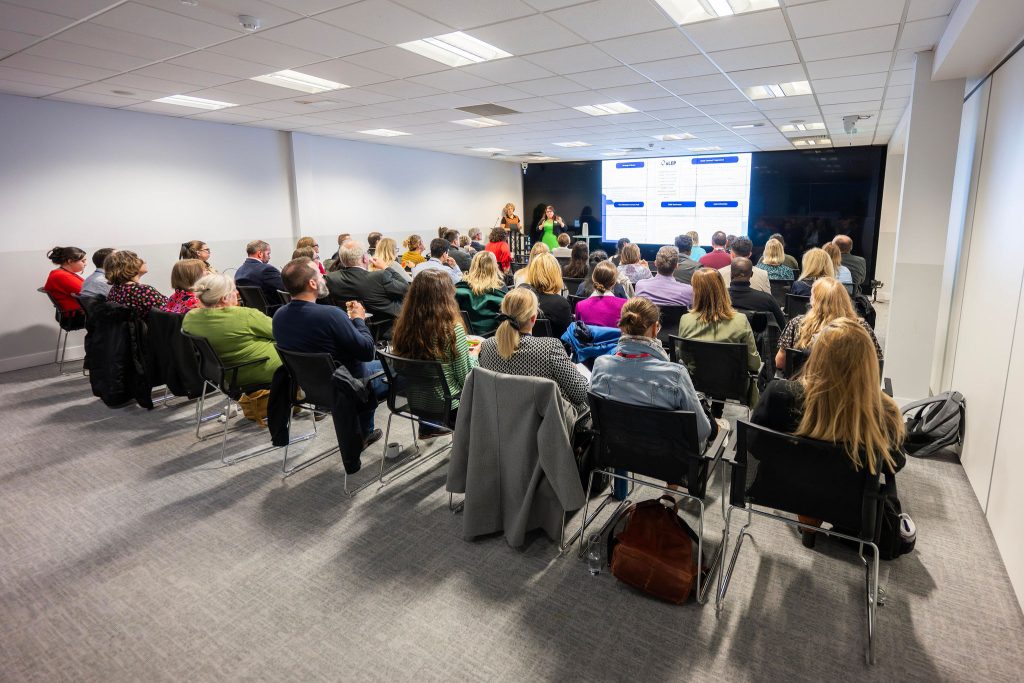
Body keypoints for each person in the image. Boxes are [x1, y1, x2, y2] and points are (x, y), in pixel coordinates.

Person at [752, 317, 905, 546]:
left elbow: (754, 444)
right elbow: (894, 463)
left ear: (815, 355)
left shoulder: (779, 394)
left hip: (783, 489)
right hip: (850, 502)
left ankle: (809, 520)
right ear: (869, 363)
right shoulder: (886, 413)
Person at [272, 257, 387, 444]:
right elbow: (367, 351)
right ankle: (365, 433)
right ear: (311, 283)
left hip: (311, 387)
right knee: (394, 366)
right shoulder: (331, 315)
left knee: (379, 363)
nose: (324, 279)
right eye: (320, 276)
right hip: (349, 386)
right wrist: (358, 319)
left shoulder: (279, 316)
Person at [590, 297, 711, 444]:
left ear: (623, 326)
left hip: (616, 454)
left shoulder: (600, 365)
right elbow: (702, 432)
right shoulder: (676, 375)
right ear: (655, 328)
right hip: (666, 460)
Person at [390, 270, 480, 438]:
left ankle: (427, 428)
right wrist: (475, 355)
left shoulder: (404, 327)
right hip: (449, 406)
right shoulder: (452, 330)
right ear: (446, 296)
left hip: (415, 401)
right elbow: (467, 377)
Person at [478, 287, 589, 417]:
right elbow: (581, 393)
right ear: (533, 318)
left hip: (504, 423)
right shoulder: (550, 349)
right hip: (548, 427)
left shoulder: (487, 346)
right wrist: (574, 370)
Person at [677, 268, 761, 407]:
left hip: (697, 381)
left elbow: (685, 358)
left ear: (696, 291)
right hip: (733, 384)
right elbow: (754, 364)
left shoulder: (686, 320)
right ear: (722, 288)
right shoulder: (740, 320)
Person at [182, 273, 280, 386]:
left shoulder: (190, 317)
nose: (237, 293)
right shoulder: (245, 315)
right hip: (262, 370)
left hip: (226, 374)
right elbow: (281, 333)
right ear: (224, 298)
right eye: (234, 290)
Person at [775, 277, 882, 370]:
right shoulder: (862, 328)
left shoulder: (797, 324)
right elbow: (877, 363)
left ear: (814, 301)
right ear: (845, 299)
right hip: (850, 390)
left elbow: (780, 363)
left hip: (806, 389)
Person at [325, 240, 408, 319]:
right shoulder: (380, 276)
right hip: (385, 327)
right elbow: (406, 288)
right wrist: (386, 267)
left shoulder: (331, 279)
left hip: (350, 327)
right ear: (365, 258)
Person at [104, 250, 168, 320]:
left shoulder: (115, 289)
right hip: (148, 330)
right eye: (138, 259)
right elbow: (168, 313)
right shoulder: (144, 291)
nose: (144, 261)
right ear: (130, 266)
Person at [519, 253, 572, 338]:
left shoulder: (522, 296)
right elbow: (567, 338)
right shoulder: (561, 304)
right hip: (554, 350)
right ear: (556, 274)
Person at [455, 251, 506, 335]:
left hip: (466, 336)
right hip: (494, 337)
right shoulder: (500, 287)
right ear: (494, 266)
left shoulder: (461, 287)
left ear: (473, 265)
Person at [728, 258, 786, 330]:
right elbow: (783, 327)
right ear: (751, 274)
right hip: (756, 341)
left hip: (724, 340)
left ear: (731, 273)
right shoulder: (767, 300)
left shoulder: (718, 297)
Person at [576, 261, 627, 327]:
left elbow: (578, 332)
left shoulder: (580, 306)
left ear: (593, 278)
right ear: (614, 282)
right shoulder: (625, 306)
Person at [235, 239, 285, 305]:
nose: (269, 257)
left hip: (251, 312)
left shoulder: (239, 271)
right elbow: (286, 288)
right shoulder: (267, 270)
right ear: (260, 254)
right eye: (268, 253)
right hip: (274, 311)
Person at [43, 246, 87, 314]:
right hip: (77, 315)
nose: (85, 264)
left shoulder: (62, 273)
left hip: (80, 312)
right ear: (70, 261)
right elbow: (89, 293)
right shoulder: (62, 276)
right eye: (83, 261)